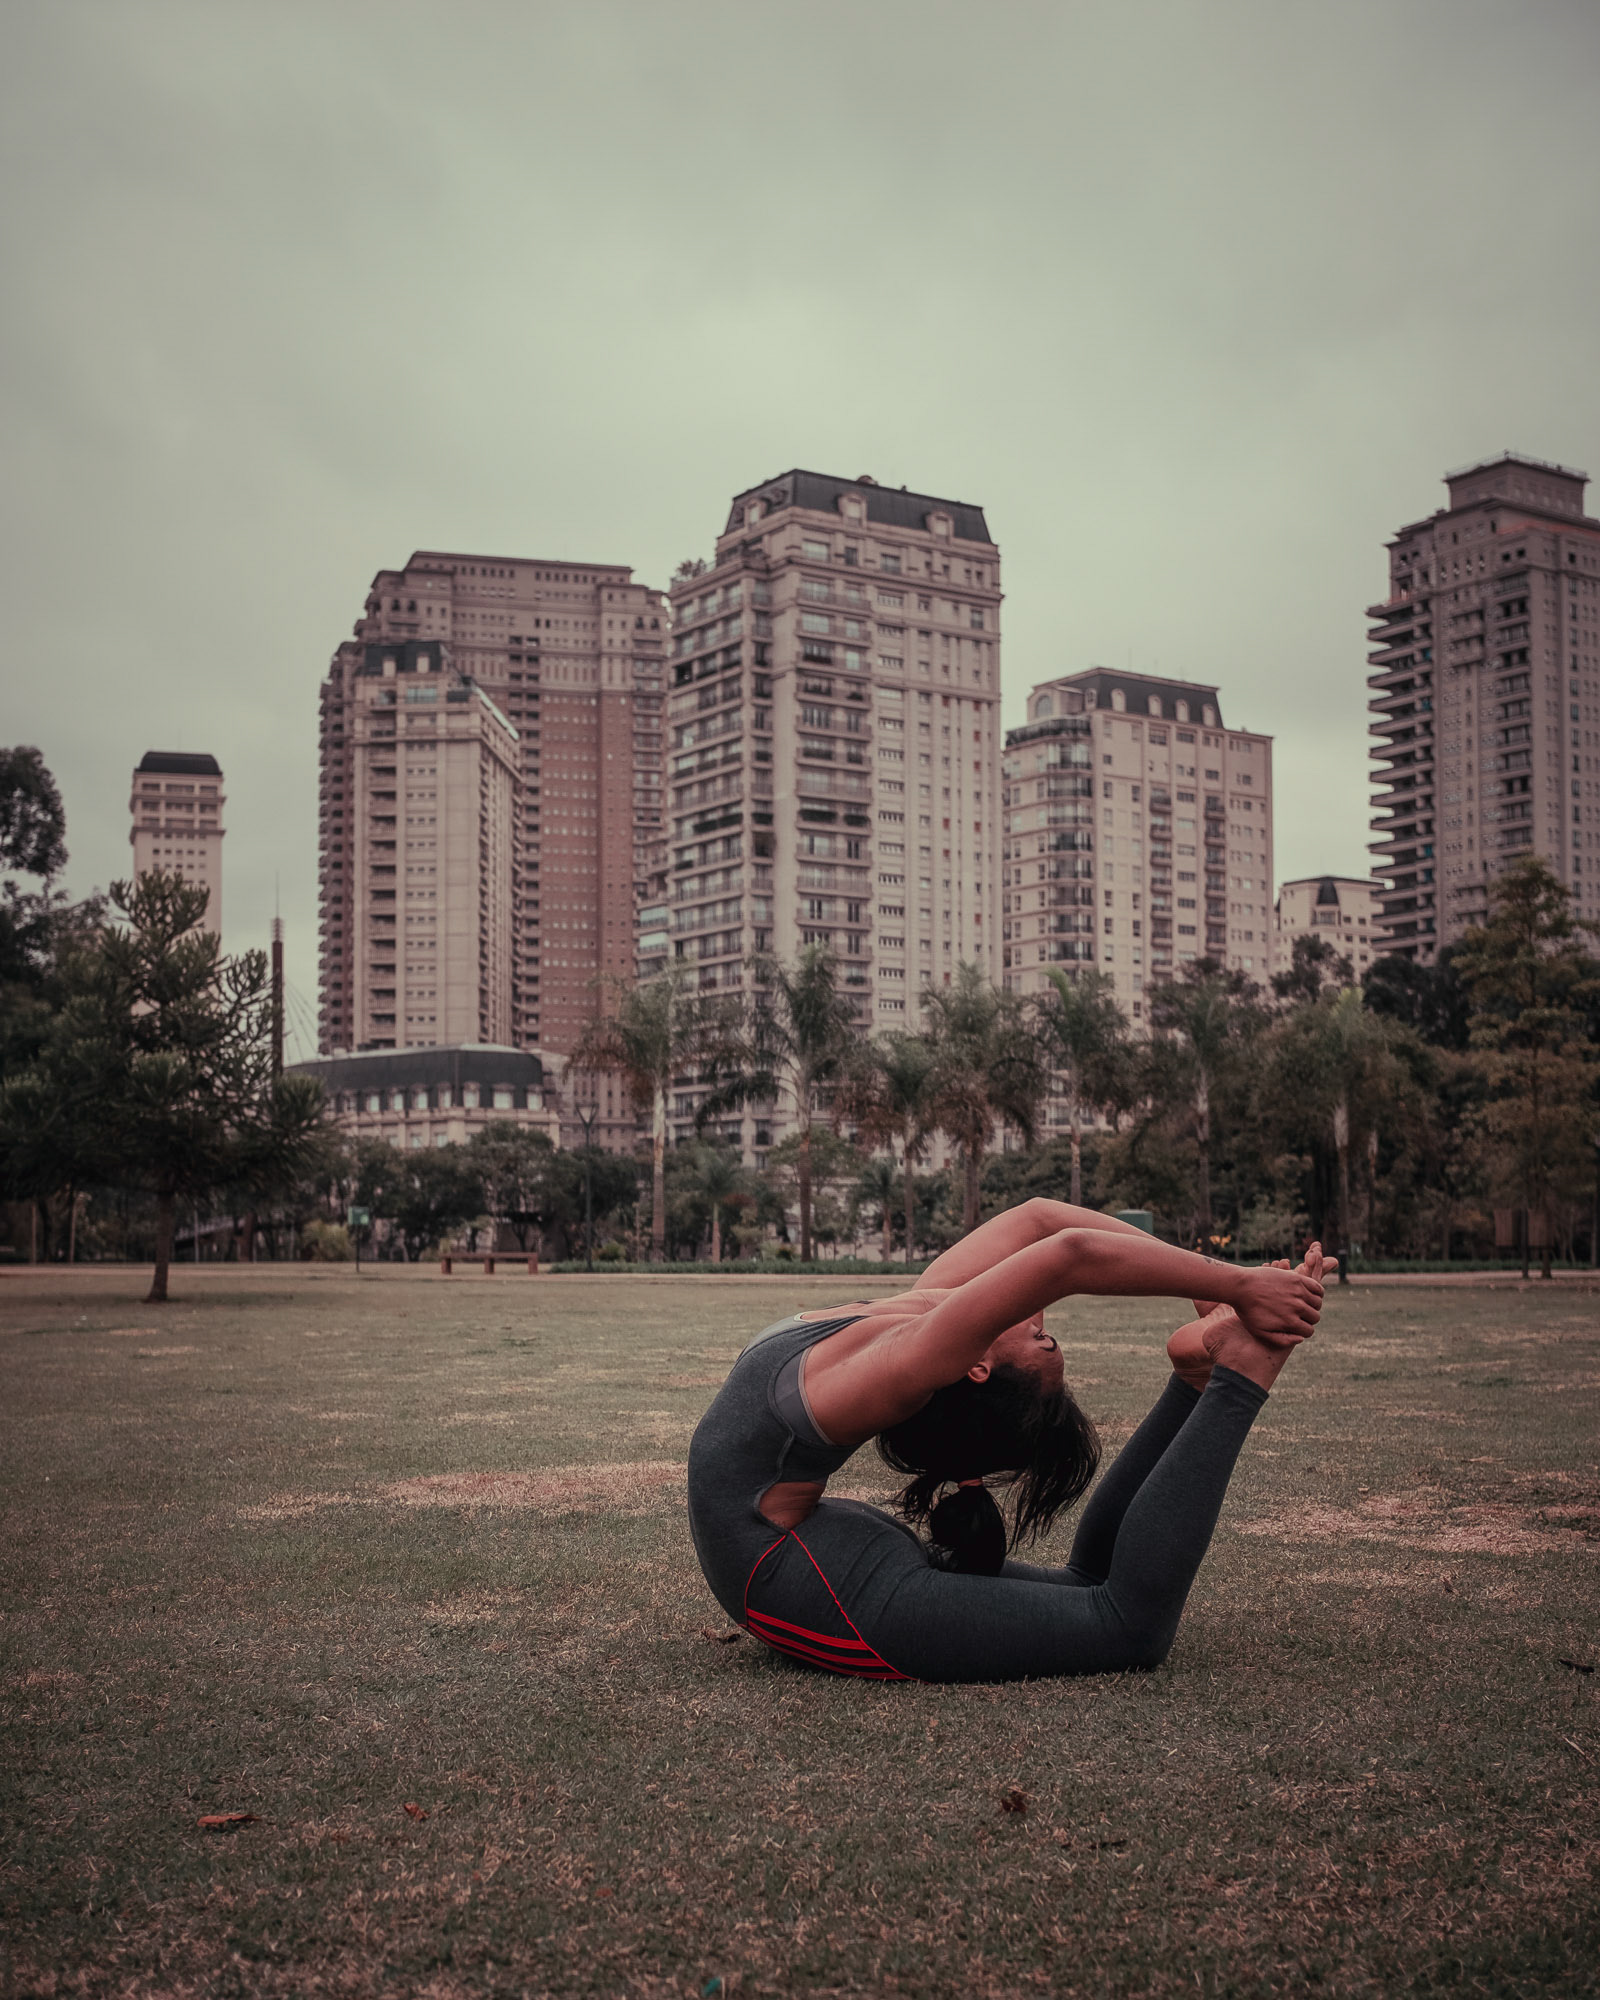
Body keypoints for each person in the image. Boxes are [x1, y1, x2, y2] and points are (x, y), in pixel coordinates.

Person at [686, 1200, 1329, 1683]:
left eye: (1043, 1344)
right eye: (1044, 1342)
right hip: (806, 1571)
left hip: (803, 1554)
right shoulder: (916, 1337)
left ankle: (1195, 1379)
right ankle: (1237, 1372)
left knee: (1097, 1600)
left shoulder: (913, 1334)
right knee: (1125, 1627)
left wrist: (1221, 1288)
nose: (1041, 1325)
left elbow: (1053, 1238)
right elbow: (1056, 1240)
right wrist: (1227, 1286)